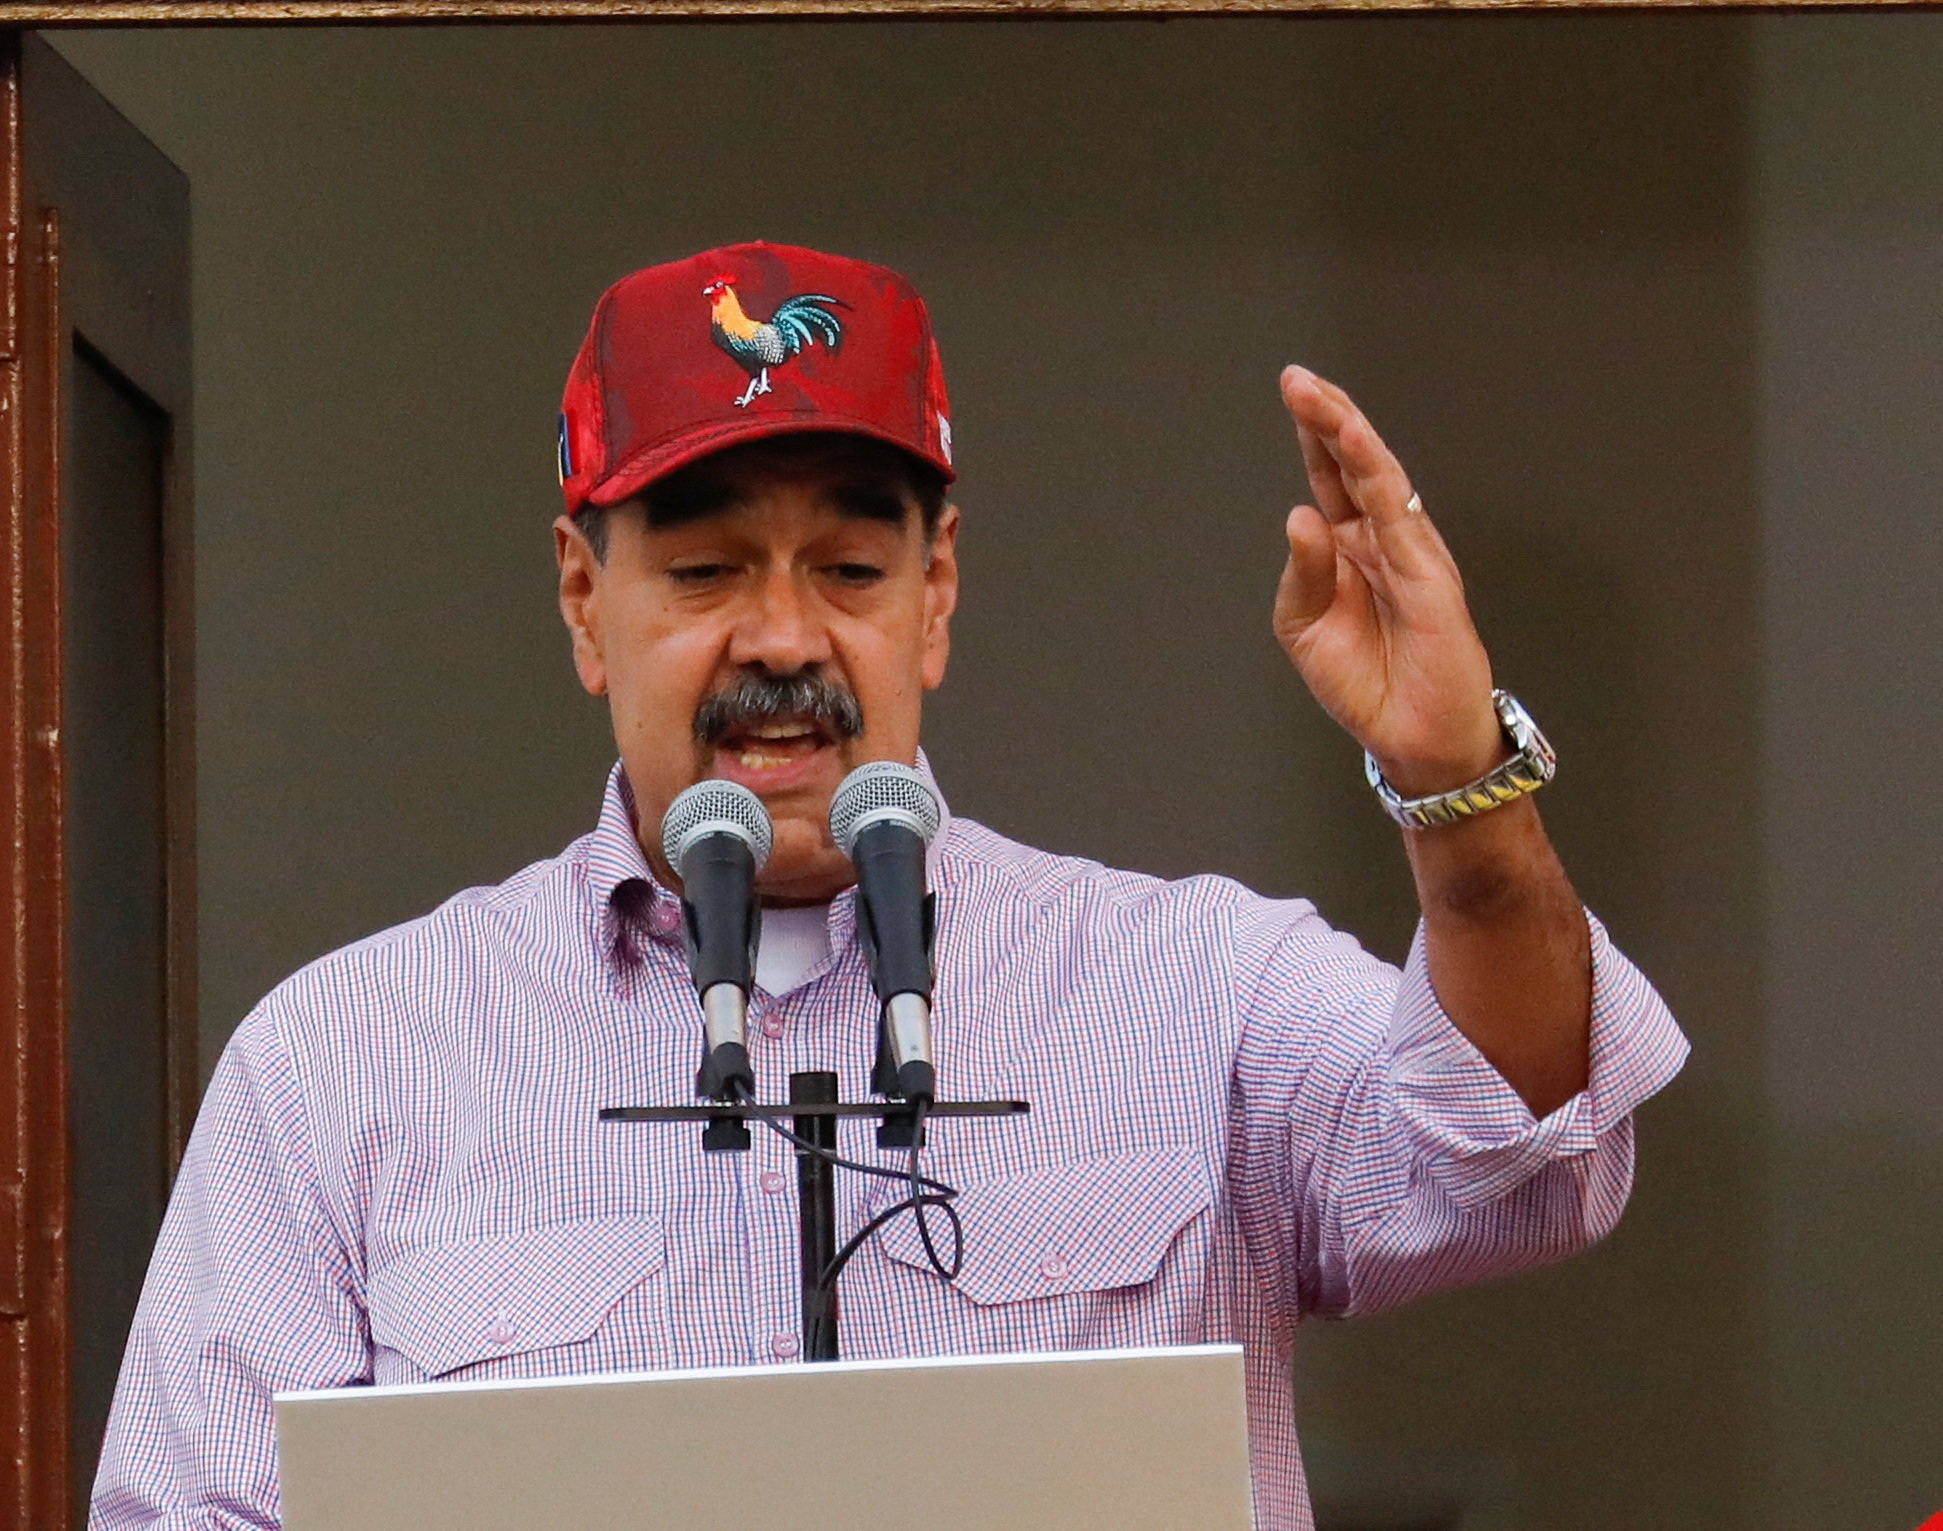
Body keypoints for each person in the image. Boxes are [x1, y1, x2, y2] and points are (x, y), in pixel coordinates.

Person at [90, 241, 1687, 1530]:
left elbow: (1520, 1157)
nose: (783, 640)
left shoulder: (1194, 984)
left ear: (936, 599)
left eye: (850, 571)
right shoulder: (346, 1060)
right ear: (586, 606)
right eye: (706, 571)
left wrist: (1458, 788)